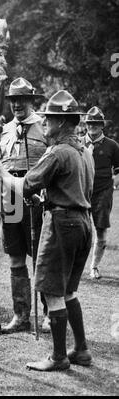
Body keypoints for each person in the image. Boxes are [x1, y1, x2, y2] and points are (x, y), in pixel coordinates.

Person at [0, 90, 94, 371]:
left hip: (61, 224)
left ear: (61, 122)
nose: (45, 124)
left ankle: (58, 357)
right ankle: (80, 349)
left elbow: (24, 185)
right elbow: (77, 189)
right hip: (83, 223)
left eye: (49, 120)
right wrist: (44, 198)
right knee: (69, 291)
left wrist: (0, 171)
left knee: (52, 290)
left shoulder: (57, 153)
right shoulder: (84, 152)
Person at [0, 77, 49, 334]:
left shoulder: (45, 127)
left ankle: (49, 313)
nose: (17, 104)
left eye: (22, 99)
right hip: (9, 197)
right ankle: (21, 315)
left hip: (36, 197)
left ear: (31, 100)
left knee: (41, 257)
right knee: (15, 257)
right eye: (13, 100)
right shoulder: (5, 129)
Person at [81, 106, 119, 279]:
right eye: (90, 123)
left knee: (101, 231)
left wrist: (113, 184)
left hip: (103, 192)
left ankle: (94, 267)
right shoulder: (78, 143)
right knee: (79, 230)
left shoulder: (112, 146)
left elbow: (118, 170)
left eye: (96, 123)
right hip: (80, 191)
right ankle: (76, 266)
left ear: (102, 125)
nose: (92, 126)